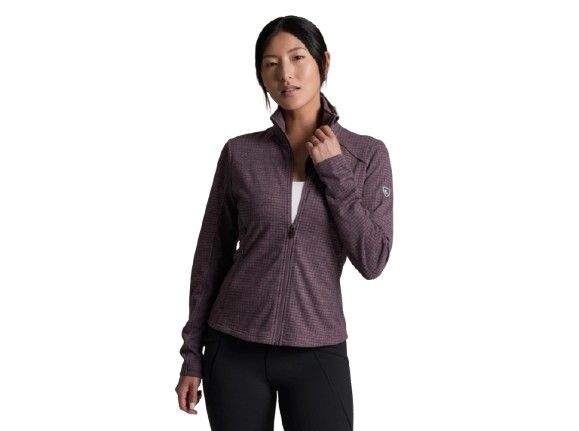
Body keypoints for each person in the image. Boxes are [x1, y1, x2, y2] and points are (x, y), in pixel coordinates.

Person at [175, 15, 393, 431]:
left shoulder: (366, 156)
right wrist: (191, 356)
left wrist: (335, 172)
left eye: (297, 58)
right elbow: (211, 258)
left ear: (323, 62)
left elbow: (373, 259)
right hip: (233, 346)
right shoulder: (240, 154)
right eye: (271, 64)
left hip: (317, 347)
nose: (285, 74)